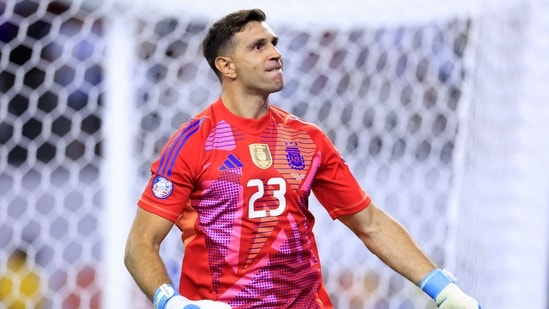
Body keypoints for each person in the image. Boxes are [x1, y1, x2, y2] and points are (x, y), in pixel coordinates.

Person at [124, 8, 481, 309]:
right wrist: (170, 302)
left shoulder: (307, 139)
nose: (275, 53)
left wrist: (440, 288)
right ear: (226, 66)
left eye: (274, 44)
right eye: (258, 46)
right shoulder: (193, 142)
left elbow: (370, 223)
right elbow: (140, 244)